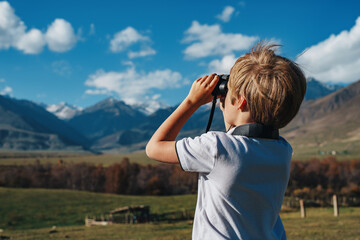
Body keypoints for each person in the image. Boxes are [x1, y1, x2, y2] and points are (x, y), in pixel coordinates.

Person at [146, 42, 306, 240]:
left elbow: (154, 148)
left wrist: (191, 101)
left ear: (239, 100)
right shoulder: (282, 150)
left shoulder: (216, 147)